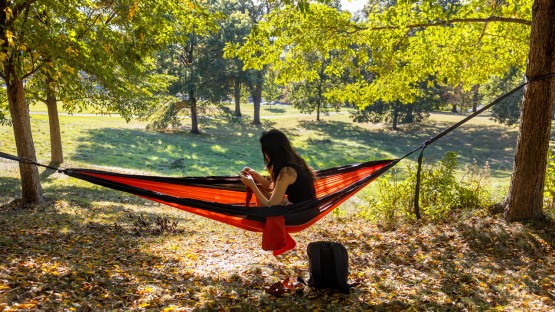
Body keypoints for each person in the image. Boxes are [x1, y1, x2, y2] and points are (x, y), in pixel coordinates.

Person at [239, 129, 316, 206]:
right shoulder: (295, 160)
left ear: (272, 152)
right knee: (259, 188)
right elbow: (274, 188)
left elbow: (270, 206)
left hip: (300, 213)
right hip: (306, 209)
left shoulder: (287, 172)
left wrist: (251, 184)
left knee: (258, 190)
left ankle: (263, 217)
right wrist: (257, 177)